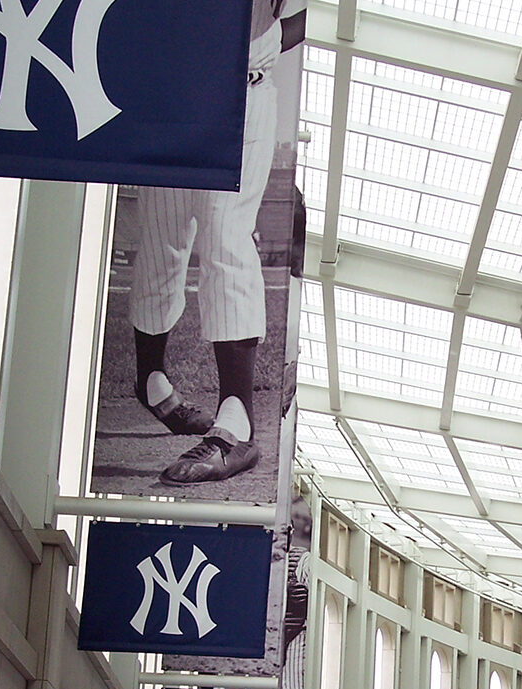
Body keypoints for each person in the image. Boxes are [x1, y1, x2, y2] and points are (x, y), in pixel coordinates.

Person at [128, 0, 306, 485]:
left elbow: (313, 17)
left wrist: (264, 47)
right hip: (166, 92)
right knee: (162, 238)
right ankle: (150, 379)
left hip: (241, 96)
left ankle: (238, 424)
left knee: (227, 238)